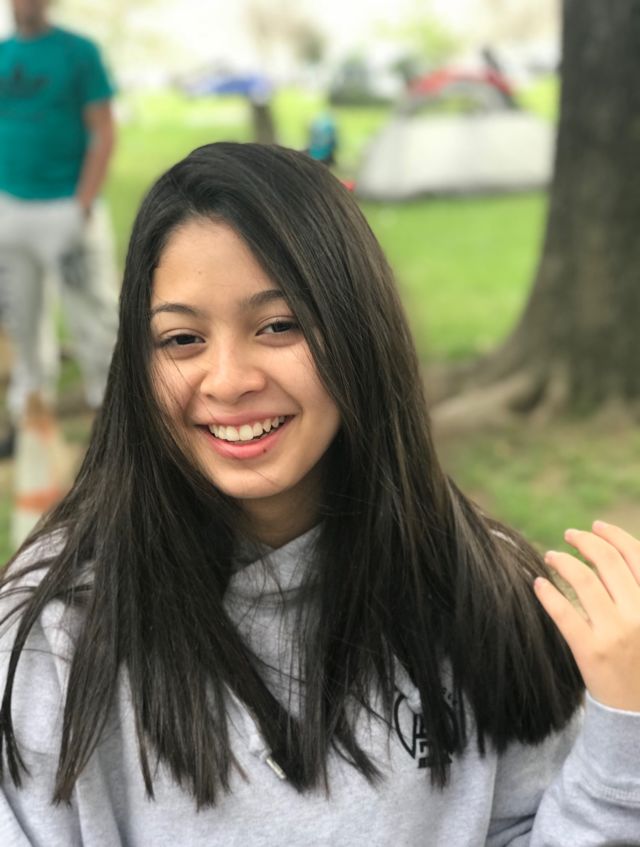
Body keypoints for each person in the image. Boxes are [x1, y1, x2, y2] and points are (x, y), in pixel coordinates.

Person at [0, 143, 638, 846]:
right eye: (182, 339)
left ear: (359, 332)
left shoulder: (480, 591)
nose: (229, 379)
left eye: (279, 325)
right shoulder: (54, 637)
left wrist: (623, 738)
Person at [0, 0, 119, 457]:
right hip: (12, 211)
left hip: (65, 210)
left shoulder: (77, 52)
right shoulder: (5, 53)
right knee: (23, 322)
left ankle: (111, 423)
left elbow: (103, 130)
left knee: (94, 321)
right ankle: (29, 420)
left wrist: (82, 206)